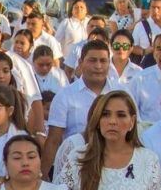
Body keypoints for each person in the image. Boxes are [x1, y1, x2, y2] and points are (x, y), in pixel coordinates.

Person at [42, 41, 121, 176]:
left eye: (103, 61)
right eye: (92, 60)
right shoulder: (64, 96)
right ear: (81, 62)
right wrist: (41, 177)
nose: (98, 66)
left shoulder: (121, 93)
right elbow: (53, 140)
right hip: (77, 169)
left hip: (116, 168)